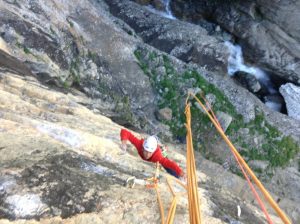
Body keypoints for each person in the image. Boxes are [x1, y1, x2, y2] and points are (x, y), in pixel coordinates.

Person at [120, 128, 185, 179]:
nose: (147, 155)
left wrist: (180, 172)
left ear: (153, 151)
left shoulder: (157, 156)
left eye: (150, 152)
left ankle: (178, 177)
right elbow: (124, 131)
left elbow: (170, 164)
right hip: (155, 146)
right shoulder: (140, 145)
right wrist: (124, 143)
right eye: (146, 151)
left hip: (160, 151)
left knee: (167, 167)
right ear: (143, 148)